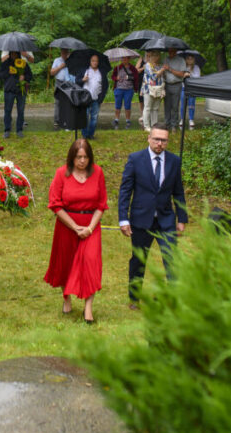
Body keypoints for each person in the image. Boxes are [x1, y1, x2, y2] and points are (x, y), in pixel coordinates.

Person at [117, 124, 187, 309]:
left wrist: (183, 218)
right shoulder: (135, 159)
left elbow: (178, 192)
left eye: (163, 140)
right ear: (149, 138)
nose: (159, 143)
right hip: (141, 219)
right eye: (156, 139)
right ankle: (135, 298)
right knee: (138, 260)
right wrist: (123, 218)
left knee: (171, 259)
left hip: (166, 220)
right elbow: (125, 190)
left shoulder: (174, 161)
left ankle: (172, 298)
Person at [44, 138, 106, 324]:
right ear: (72, 157)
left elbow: (101, 204)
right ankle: (66, 297)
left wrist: (89, 228)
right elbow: (55, 204)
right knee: (66, 263)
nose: (82, 161)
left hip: (91, 225)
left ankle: (88, 309)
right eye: (78, 157)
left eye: (86, 157)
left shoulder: (98, 173)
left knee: (91, 264)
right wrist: (74, 226)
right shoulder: (61, 173)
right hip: (67, 225)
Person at [0, 51, 33, 138]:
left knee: (21, 111)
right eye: (12, 53)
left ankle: (19, 130)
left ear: (18, 54)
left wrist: (24, 77)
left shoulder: (23, 63)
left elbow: (30, 75)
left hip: (21, 91)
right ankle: (7, 130)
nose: (14, 55)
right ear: (9, 54)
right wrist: (8, 72)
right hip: (9, 90)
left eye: (15, 53)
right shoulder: (5, 63)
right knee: (7, 111)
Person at [80, 55, 108, 139]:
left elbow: (105, 85)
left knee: (94, 118)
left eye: (96, 61)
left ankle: (91, 135)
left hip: (96, 99)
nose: (94, 62)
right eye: (93, 61)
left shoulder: (101, 72)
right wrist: (83, 80)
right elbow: (77, 82)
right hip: (85, 98)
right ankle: (84, 135)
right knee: (85, 117)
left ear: (98, 62)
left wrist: (101, 98)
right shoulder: (85, 70)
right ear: (90, 61)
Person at [163, 48, 190, 131]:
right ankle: (167, 125)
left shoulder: (181, 60)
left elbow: (182, 74)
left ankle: (174, 125)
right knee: (167, 106)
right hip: (166, 85)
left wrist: (170, 69)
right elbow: (163, 72)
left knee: (175, 106)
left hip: (176, 85)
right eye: (169, 50)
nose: (170, 52)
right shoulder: (165, 59)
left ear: (175, 51)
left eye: (172, 50)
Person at [138, 51, 165, 131]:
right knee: (147, 107)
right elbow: (153, 76)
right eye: (153, 55)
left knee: (155, 108)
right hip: (148, 89)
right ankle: (146, 126)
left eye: (157, 55)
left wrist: (163, 89)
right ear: (149, 57)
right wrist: (162, 70)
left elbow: (162, 78)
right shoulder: (146, 66)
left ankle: (154, 125)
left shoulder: (160, 66)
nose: (155, 57)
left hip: (158, 89)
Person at [111, 56, 137, 129]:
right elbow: (113, 76)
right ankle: (116, 119)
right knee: (117, 105)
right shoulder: (117, 68)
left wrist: (129, 77)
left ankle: (128, 120)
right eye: (123, 58)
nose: (124, 60)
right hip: (119, 88)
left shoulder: (132, 68)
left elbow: (135, 77)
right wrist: (116, 78)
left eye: (126, 58)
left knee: (127, 105)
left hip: (129, 89)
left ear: (129, 59)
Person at [50, 48, 73, 128]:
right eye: (63, 53)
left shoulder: (71, 60)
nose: (64, 54)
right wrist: (60, 67)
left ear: (68, 53)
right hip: (59, 82)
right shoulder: (57, 60)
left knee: (68, 101)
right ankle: (57, 120)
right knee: (58, 102)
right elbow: (52, 72)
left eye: (66, 53)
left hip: (69, 83)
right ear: (61, 53)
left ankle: (67, 120)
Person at [179, 50, 201, 128]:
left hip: (192, 88)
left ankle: (191, 119)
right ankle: (182, 119)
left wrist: (190, 73)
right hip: (184, 88)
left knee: (191, 104)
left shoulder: (196, 67)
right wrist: (184, 75)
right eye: (188, 58)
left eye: (191, 58)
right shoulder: (183, 67)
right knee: (183, 104)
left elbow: (198, 77)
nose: (190, 60)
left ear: (194, 59)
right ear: (186, 59)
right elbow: (180, 77)